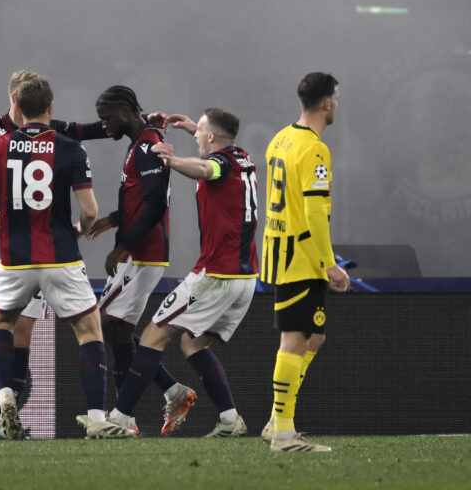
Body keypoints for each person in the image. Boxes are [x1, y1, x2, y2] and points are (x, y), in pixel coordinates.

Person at [0, 76, 135, 440]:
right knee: (89, 331)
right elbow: (89, 209)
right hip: (59, 257)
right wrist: (80, 228)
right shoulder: (70, 148)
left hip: (13, 259)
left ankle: (6, 399)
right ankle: (95, 418)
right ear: (51, 108)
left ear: (18, 108)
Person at [105, 108, 257, 438]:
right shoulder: (242, 157)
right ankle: (230, 420)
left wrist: (173, 161)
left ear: (213, 137)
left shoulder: (220, 164)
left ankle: (119, 418)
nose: (197, 134)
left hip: (216, 276)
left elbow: (206, 167)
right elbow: (216, 154)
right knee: (193, 345)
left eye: (201, 131)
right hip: (245, 278)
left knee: (152, 336)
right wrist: (193, 129)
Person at [86, 85, 194, 435]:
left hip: (144, 252)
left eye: (107, 118)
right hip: (141, 250)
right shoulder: (142, 141)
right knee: (116, 328)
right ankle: (171, 393)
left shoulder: (147, 144)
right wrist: (115, 220)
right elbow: (140, 200)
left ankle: (125, 417)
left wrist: (125, 246)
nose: (104, 125)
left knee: (109, 325)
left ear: (127, 111)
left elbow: (155, 202)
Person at [260, 72, 350, 452]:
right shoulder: (315, 149)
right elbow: (314, 214)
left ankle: (276, 422)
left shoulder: (280, 138)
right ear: (327, 103)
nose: (337, 105)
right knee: (294, 339)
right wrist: (329, 263)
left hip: (280, 251)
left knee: (314, 336)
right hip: (300, 258)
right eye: (337, 99)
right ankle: (282, 432)